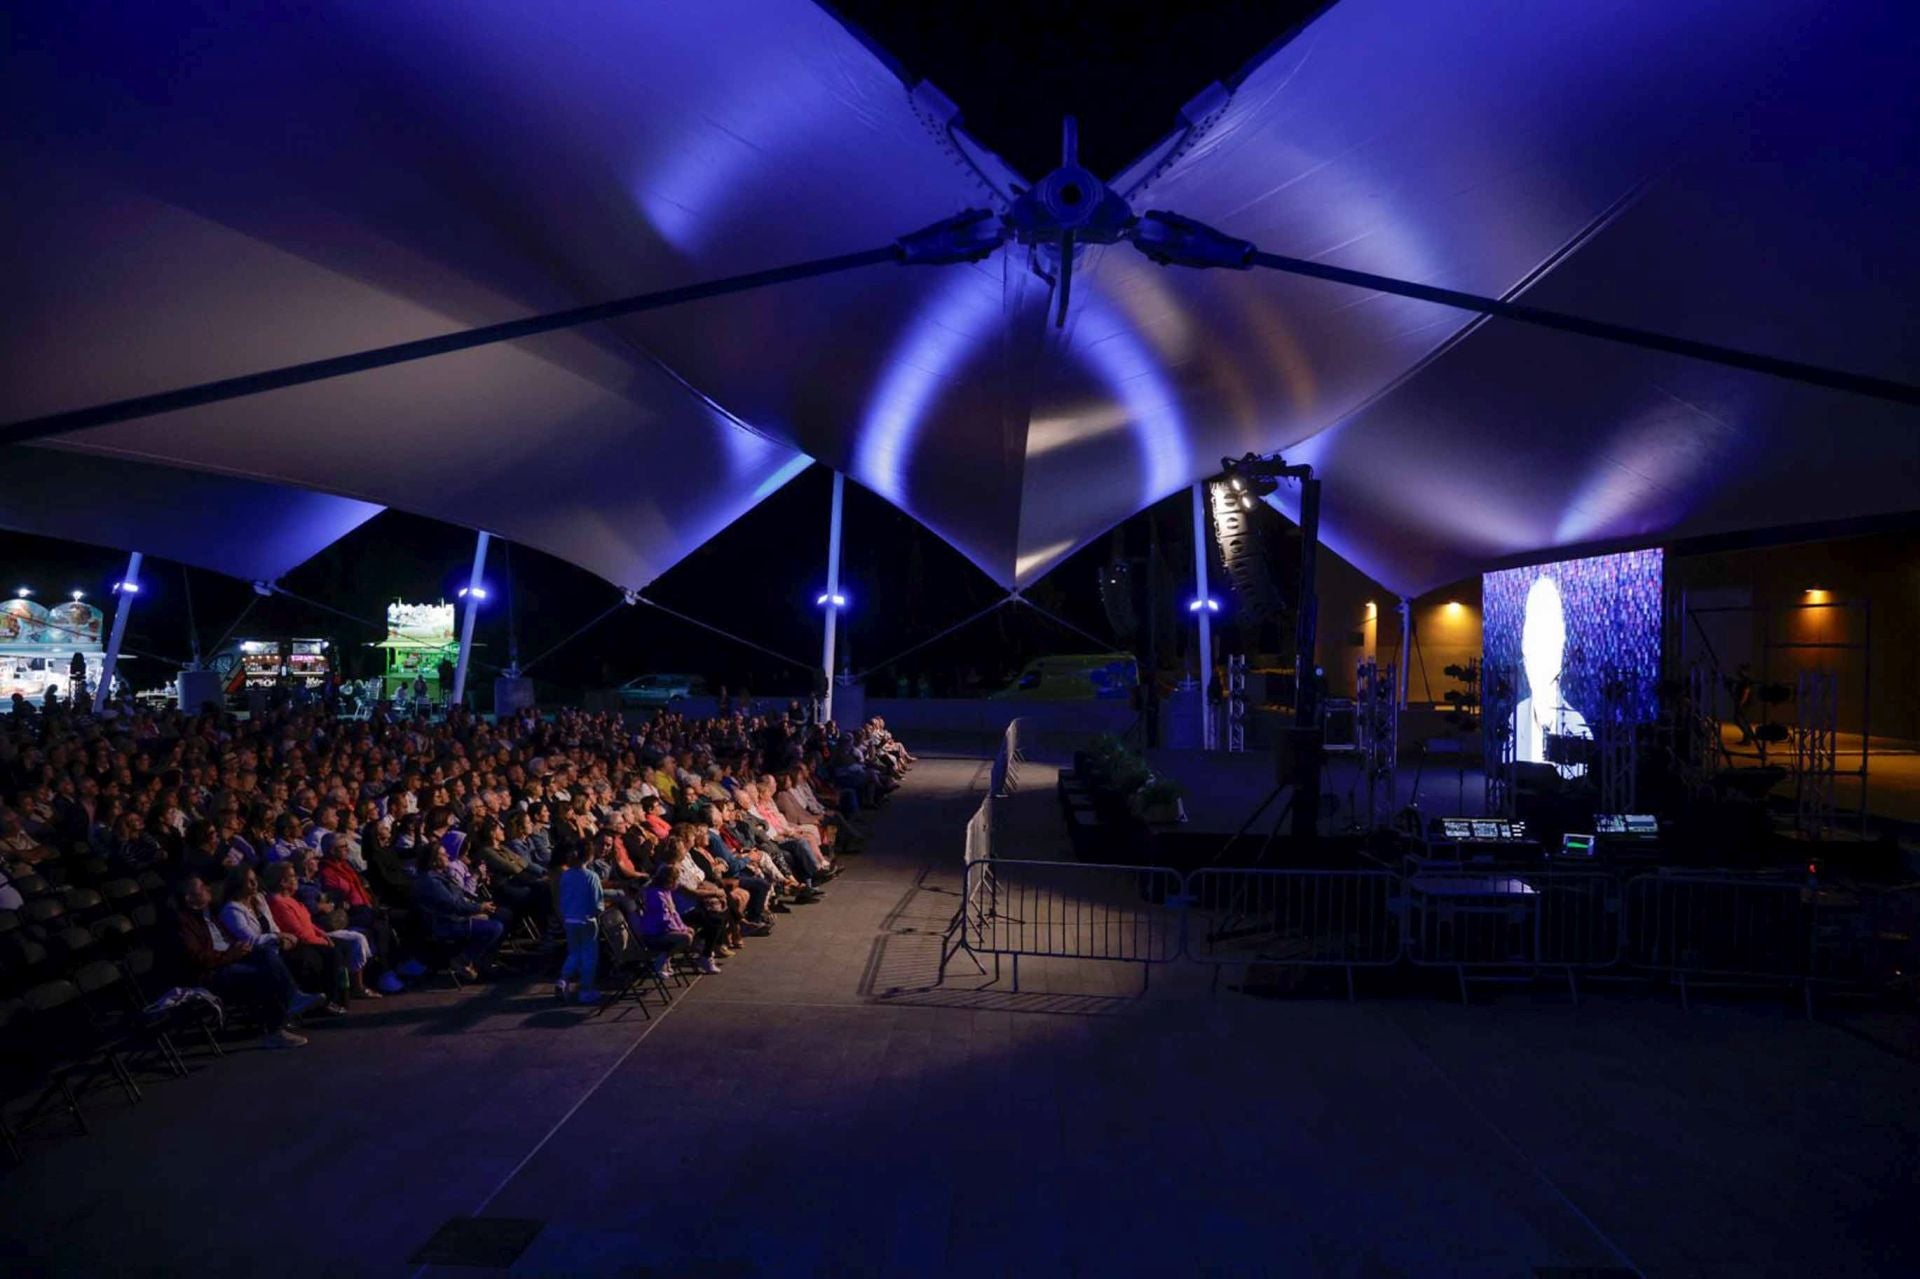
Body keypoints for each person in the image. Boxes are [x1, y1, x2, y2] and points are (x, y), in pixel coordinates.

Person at [172, 873, 324, 1048]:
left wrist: (238, 950)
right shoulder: (184, 922)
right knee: (264, 975)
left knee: (267, 952)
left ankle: (293, 997)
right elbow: (197, 958)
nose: (207, 888)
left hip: (232, 957)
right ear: (189, 898)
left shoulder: (211, 912)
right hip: (214, 971)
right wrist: (230, 955)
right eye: (201, 888)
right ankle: (275, 1031)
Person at [412, 843, 504, 980]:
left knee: (500, 914)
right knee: (496, 927)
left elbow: (460, 896)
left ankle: (483, 963)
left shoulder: (439, 876)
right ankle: (464, 960)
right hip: (447, 923)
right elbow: (453, 904)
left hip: (454, 916)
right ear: (433, 860)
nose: (448, 856)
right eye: (443, 854)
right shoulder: (431, 881)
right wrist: (478, 908)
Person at [553, 844, 603, 1004]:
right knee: (589, 954)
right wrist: (597, 912)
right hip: (587, 920)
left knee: (574, 952)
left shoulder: (566, 875)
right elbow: (597, 903)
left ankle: (564, 979)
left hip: (569, 919)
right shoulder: (591, 876)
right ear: (590, 856)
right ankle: (586, 990)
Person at [639, 861, 702, 976]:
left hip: (664, 930)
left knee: (689, 933)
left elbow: (674, 914)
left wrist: (683, 927)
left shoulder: (666, 892)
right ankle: (662, 959)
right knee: (685, 938)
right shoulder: (656, 894)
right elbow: (664, 919)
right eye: (676, 880)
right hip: (655, 933)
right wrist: (680, 931)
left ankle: (665, 959)